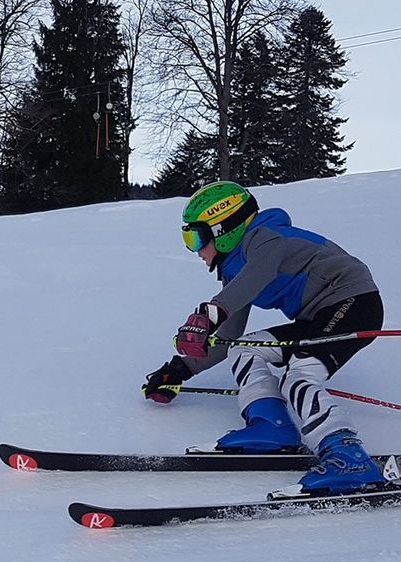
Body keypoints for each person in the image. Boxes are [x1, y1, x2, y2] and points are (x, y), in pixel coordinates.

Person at [141, 180, 387, 496]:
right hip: (320, 317)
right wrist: (178, 370)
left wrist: (211, 312)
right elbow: (228, 339)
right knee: (245, 350)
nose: (196, 250)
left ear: (223, 229)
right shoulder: (236, 272)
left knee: (299, 376)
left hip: (353, 303)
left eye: (196, 237)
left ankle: (349, 458)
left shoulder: (264, 237)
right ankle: (273, 429)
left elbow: (261, 273)